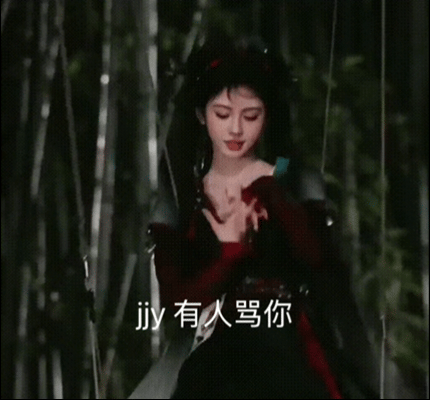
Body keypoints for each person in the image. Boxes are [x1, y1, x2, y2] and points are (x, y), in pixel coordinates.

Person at [146, 36, 379, 399]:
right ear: (201, 115)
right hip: (212, 339)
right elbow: (176, 302)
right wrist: (230, 256)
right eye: (222, 114)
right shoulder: (183, 192)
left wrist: (277, 199)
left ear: (267, 116)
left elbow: (321, 263)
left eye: (251, 115)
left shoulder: (291, 180)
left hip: (289, 333)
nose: (236, 129)